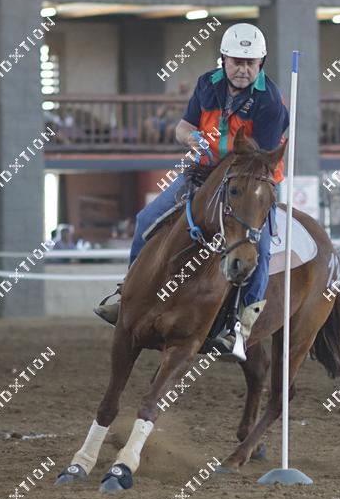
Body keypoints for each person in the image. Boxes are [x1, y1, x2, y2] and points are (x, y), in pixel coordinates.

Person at [94, 22, 289, 356]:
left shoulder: (270, 102)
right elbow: (182, 127)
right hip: (202, 172)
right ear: (223, 59)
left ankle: (242, 325)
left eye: (250, 63)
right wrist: (191, 138)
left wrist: (215, 170)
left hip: (251, 183)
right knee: (145, 219)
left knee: (260, 248)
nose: (243, 69)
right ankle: (128, 296)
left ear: (261, 63)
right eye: (236, 61)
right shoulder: (206, 84)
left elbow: (256, 162)